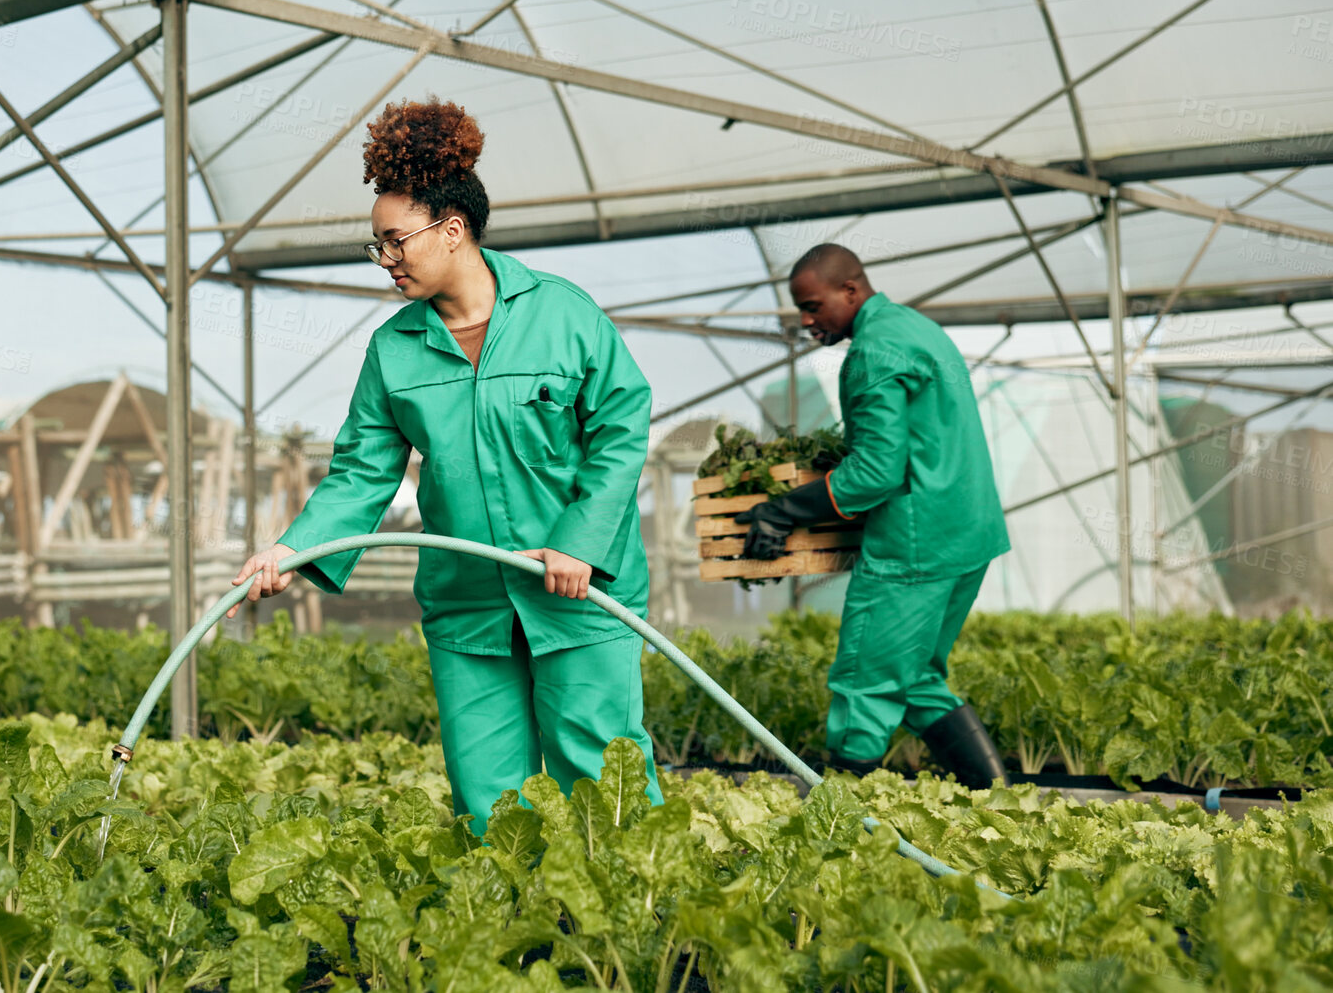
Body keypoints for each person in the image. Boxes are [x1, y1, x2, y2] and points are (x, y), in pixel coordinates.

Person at [230, 99, 662, 832]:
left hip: (579, 592)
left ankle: (636, 925)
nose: (385, 260)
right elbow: (362, 470)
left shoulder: (563, 314)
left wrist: (578, 542)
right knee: (487, 793)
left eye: (394, 241)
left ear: (451, 229)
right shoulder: (393, 348)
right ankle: (522, 937)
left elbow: (620, 428)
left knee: (600, 773)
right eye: (377, 246)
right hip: (468, 601)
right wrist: (292, 549)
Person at [736, 243, 1010, 788]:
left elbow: (877, 472)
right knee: (917, 680)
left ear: (851, 290)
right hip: (966, 534)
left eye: (814, 306)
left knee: (864, 683)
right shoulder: (916, 330)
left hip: (915, 544)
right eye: (801, 311)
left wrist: (781, 509)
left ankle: (841, 833)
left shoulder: (874, 353)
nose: (808, 321)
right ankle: (1002, 805)